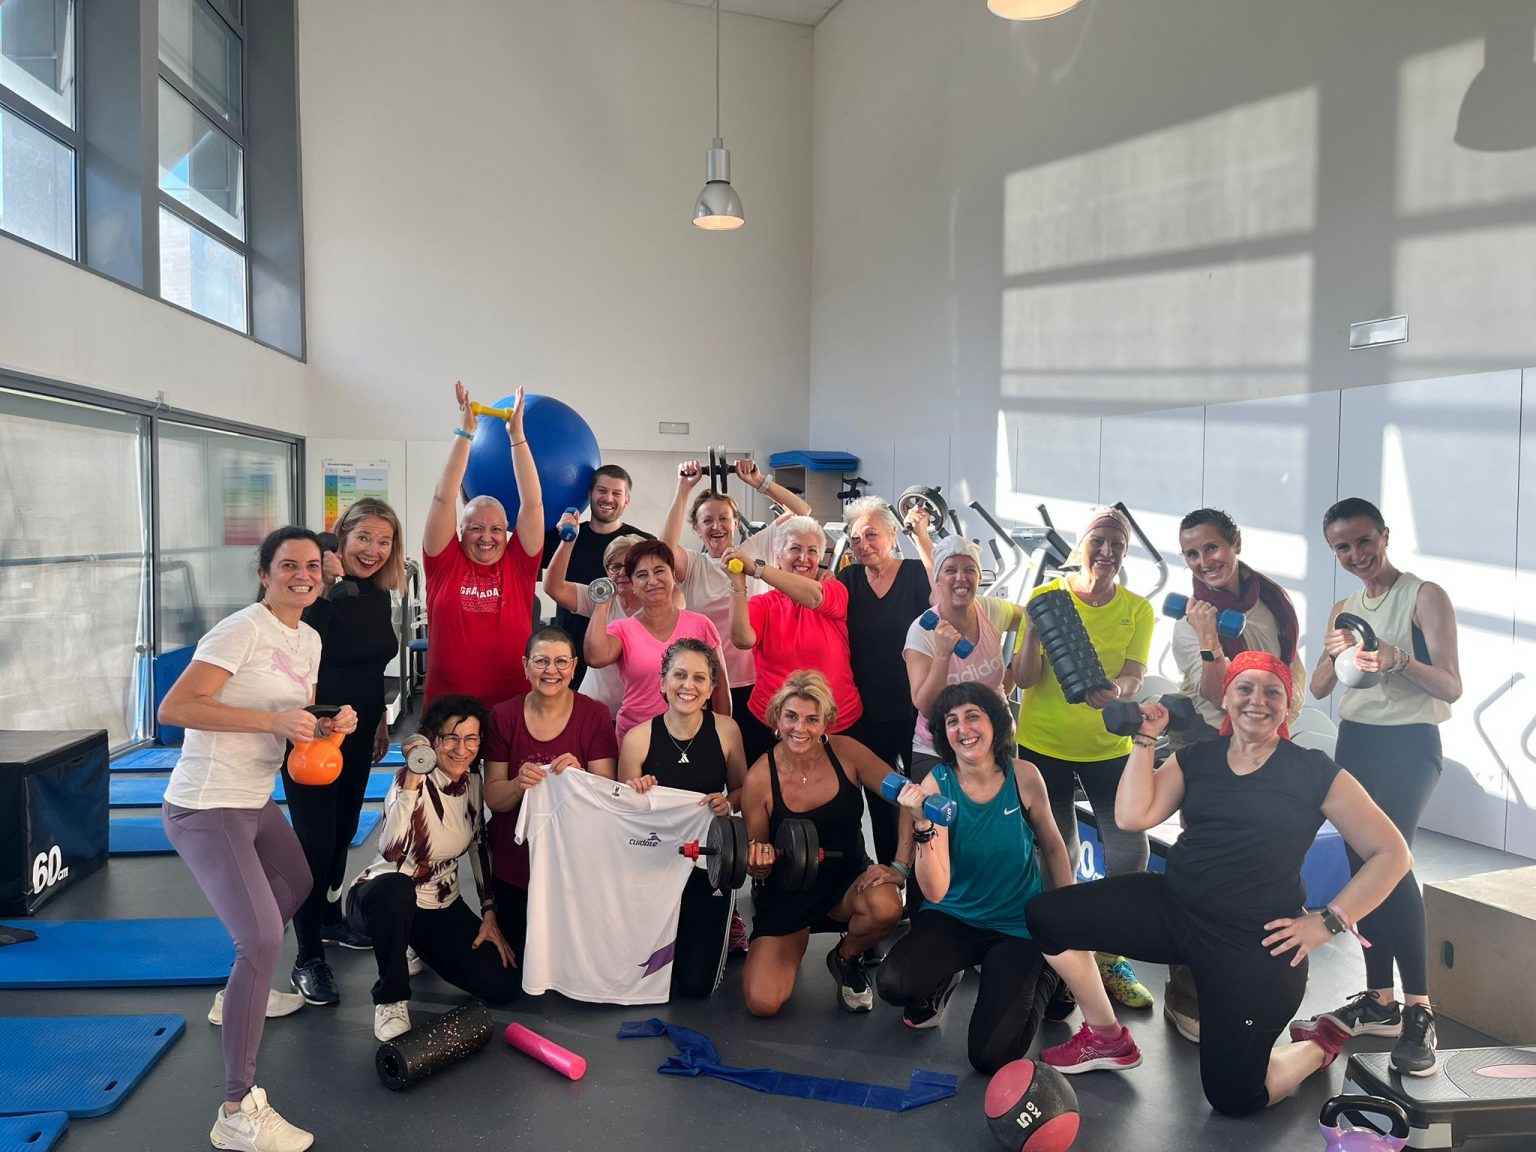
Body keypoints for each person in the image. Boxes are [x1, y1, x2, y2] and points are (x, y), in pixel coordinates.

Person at [1024, 652, 1412, 1117]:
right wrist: (1145, 738)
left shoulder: (1313, 771)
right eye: (1244, 688)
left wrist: (1328, 922)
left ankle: (1318, 1044)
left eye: (1272, 691)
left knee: (1235, 1096)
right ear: (1225, 697)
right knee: (1048, 916)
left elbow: (1392, 853)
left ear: (1287, 704)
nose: (1257, 700)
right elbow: (1131, 816)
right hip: (1174, 907)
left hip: (1254, 939)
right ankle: (1107, 1037)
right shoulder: (1196, 758)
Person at [158, 525, 358, 1152]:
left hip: (254, 799)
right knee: (264, 939)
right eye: (288, 565)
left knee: (298, 884)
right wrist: (270, 720)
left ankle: (237, 993)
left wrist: (331, 725)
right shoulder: (240, 629)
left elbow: (297, 726)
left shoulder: (310, 638)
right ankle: (236, 1109)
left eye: (312, 566)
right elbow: (175, 708)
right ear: (264, 573)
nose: (303, 575)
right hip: (207, 804)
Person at [879, 683, 1131, 1076]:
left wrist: (1065, 922)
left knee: (990, 1057)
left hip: (1016, 926)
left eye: (972, 716)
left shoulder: (1024, 776)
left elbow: (1053, 846)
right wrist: (923, 824)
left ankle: (1052, 974)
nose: (963, 728)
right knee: (896, 983)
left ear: (996, 723)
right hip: (954, 916)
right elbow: (935, 891)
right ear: (944, 733)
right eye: (952, 721)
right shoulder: (936, 785)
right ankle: (945, 979)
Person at [1297, 497, 1462, 1077]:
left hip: (1410, 746)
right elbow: (1320, 687)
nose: (1355, 555)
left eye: (1364, 541)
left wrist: (1397, 659)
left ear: (1384, 535)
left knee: (1391, 863)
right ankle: (1380, 1001)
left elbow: (1451, 686)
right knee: (1360, 869)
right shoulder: (1343, 607)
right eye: (1342, 547)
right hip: (1358, 745)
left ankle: (1420, 1010)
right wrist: (1333, 653)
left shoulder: (1424, 596)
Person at [1162, 506, 1305, 1041]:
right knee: (1202, 871)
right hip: (1209, 744)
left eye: (1212, 548)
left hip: (1268, 745)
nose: (1204, 561)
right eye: (1192, 554)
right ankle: (1187, 993)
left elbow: (1288, 667)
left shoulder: (1273, 602)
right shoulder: (1189, 620)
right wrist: (1208, 639)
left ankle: (1248, 983)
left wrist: (1285, 718)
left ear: (1235, 543)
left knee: (1260, 868)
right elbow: (1216, 691)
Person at [1011, 504, 1156, 1008]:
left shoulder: (1137, 609)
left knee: (1129, 853)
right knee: (1059, 850)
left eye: (1118, 544)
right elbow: (1024, 678)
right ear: (1082, 545)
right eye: (1099, 541)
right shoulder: (1047, 599)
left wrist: (1117, 688)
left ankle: (1112, 954)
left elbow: (1135, 674)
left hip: (1107, 747)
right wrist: (1033, 629)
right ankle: (1063, 949)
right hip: (1044, 744)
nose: (1107, 552)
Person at [283, 498, 404, 1008]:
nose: (373, 550)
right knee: (314, 844)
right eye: (363, 538)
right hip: (315, 732)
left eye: (384, 541)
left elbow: (371, 667)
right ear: (341, 538)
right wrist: (326, 583)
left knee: (342, 836)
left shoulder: (376, 593)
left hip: (359, 730)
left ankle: (330, 920)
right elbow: (303, 655)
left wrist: (379, 723)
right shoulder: (316, 594)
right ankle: (307, 956)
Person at [346, 693, 519, 1043]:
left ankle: (413, 942)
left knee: (500, 985)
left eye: (471, 739)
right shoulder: (408, 780)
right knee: (397, 891)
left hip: (438, 906)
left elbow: (478, 846)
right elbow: (392, 850)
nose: (461, 749)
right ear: (433, 740)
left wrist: (489, 913)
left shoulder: (472, 783)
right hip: (380, 897)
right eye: (450, 738)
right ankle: (391, 998)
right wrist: (412, 780)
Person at [739, 672, 909, 1017]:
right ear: (777, 718)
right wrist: (758, 863)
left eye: (812, 719)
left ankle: (847, 957)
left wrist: (900, 866)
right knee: (762, 1003)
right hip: (788, 896)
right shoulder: (759, 779)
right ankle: (794, 938)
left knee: (887, 906)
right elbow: (758, 859)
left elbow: (909, 796)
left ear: (826, 722)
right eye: (791, 717)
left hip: (848, 884)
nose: (800, 728)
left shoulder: (848, 753)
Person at [661, 457, 811, 766]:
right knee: (715, 762)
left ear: (735, 523)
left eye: (724, 519)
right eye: (707, 520)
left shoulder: (755, 551)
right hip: (710, 685)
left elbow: (802, 514)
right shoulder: (694, 565)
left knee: (761, 763)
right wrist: (683, 488)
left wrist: (759, 482)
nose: (717, 526)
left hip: (760, 683)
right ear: (697, 528)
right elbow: (663, 551)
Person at [619, 639, 749, 998]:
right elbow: (624, 817)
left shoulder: (726, 730)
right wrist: (637, 791)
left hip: (707, 865)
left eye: (699, 678)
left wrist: (727, 802)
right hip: (653, 866)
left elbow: (742, 790)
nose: (688, 685)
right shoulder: (637, 739)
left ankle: (728, 920)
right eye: (679, 675)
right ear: (663, 682)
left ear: (710, 687)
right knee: (641, 974)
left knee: (695, 985)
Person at [482, 626, 619, 962]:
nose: (551, 671)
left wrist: (580, 777)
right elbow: (494, 798)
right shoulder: (503, 716)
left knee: (573, 960)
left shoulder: (595, 715)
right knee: (518, 965)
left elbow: (608, 796)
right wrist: (518, 783)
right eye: (541, 661)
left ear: (574, 667)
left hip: (574, 865)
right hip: (517, 865)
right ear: (526, 665)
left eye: (561, 662)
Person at [421, 381, 544, 710]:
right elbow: (443, 497)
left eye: (496, 529)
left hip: (512, 704)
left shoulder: (520, 563)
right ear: (460, 532)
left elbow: (533, 504)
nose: (486, 537)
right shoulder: (443, 561)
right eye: (476, 528)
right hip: (448, 707)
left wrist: (516, 436)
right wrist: (465, 432)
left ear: (507, 532)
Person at [839, 495, 934, 869]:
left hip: (915, 709)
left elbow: (942, 593)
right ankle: (891, 876)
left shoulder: (915, 574)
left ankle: (926, 879)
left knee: (924, 796)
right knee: (882, 801)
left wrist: (922, 536)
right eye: (855, 539)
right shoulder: (848, 580)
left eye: (871, 535)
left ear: (893, 534)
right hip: (868, 712)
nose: (862, 545)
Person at [726, 518, 863, 742]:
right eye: (795, 549)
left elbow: (814, 597)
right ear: (779, 556)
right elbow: (743, 639)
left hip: (835, 722)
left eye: (812, 551)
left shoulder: (833, 589)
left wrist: (757, 569)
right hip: (773, 722)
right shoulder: (764, 603)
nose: (803, 558)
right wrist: (738, 584)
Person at [584, 540, 732, 743]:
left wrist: (721, 733)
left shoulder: (701, 624)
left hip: (692, 735)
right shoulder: (622, 629)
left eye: (659, 571)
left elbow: (720, 684)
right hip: (636, 739)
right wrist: (602, 601)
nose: (652, 581)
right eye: (641, 575)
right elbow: (595, 657)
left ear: (673, 574)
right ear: (633, 585)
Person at [905, 536, 1022, 783]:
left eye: (970, 570)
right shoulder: (921, 630)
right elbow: (926, 706)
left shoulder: (991, 609)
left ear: (979, 577)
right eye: (950, 570)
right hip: (939, 750)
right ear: (937, 579)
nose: (961, 577)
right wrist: (942, 654)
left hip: (995, 742)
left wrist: (1017, 664)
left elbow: (1031, 620)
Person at [541, 464, 652, 688]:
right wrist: (567, 540)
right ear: (590, 494)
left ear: (627, 500)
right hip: (571, 653)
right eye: (602, 490)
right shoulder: (564, 536)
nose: (608, 498)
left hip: (627, 660)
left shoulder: (643, 544)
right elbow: (552, 586)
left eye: (616, 493)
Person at [543, 523, 648, 718]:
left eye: (629, 565)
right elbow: (553, 587)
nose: (622, 572)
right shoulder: (599, 597)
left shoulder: (656, 606)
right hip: (594, 708)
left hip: (639, 712)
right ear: (607, 571)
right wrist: (568, 541)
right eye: (615, 566)